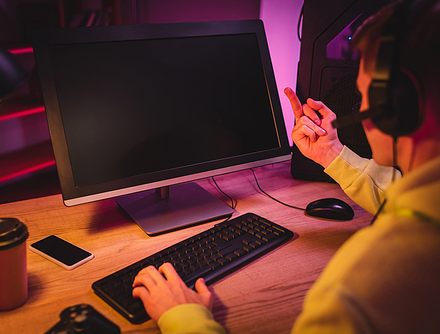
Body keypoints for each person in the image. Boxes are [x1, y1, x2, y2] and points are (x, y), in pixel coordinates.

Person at [132, 0, 440, 332]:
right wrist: (331, 153)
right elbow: (398, 195)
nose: (360, 106)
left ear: (397, 109)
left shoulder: (365, 288)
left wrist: (183, 317)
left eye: (364, 95)